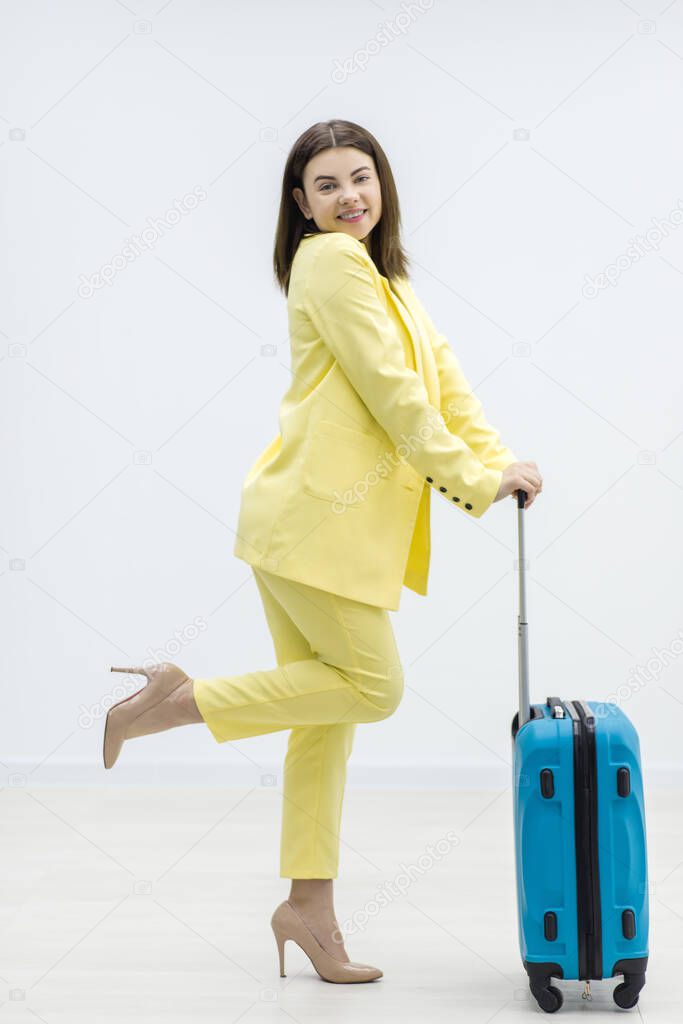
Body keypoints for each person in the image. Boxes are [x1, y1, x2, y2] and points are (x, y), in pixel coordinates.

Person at [102, 119, 543, 985]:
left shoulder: (388, 277)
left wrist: (497, 462)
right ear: (299, 206)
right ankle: (178, 700)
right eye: (328, 185)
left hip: (313, 529)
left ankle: (308, 905)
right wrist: (471, 483)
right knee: (374, 689)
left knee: (326, 720)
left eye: (361, 177)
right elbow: (393, 398)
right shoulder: (329, 263)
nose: (350, 197)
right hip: (314, 527)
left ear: (383, 185)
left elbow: (442, 386)